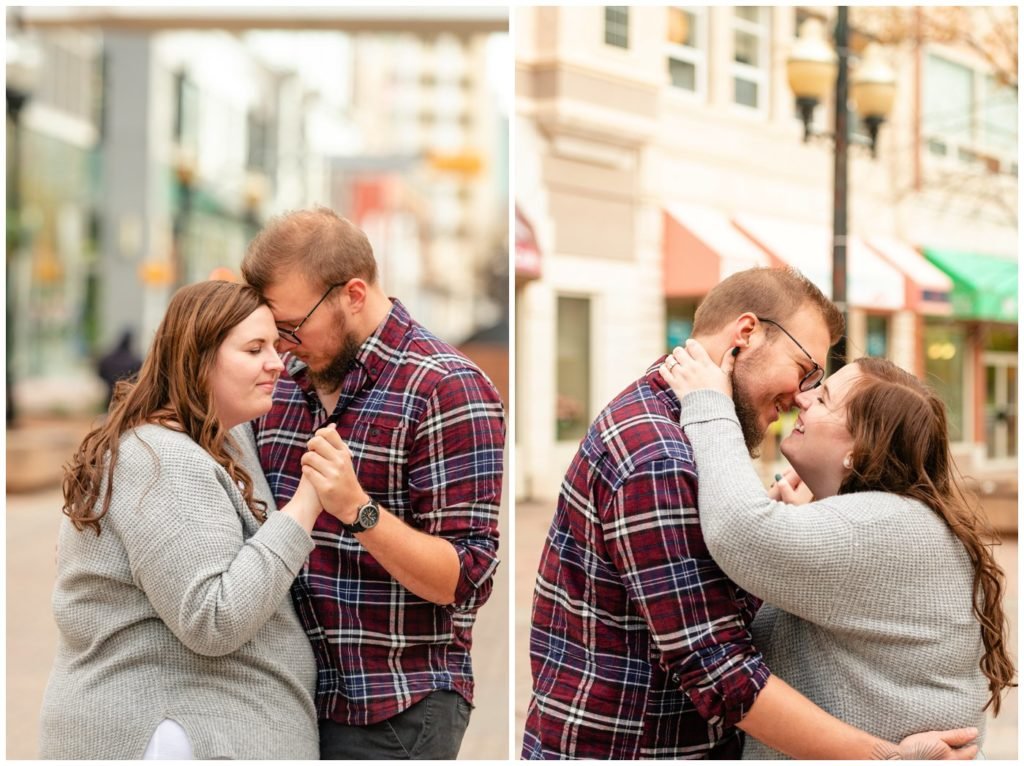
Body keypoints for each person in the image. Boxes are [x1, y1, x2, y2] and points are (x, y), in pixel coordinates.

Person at [522, 267, 979, 760]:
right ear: (745, 335)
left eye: (818, 387)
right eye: (804, 369)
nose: (801, 396)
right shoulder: (660, 455)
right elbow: (721, 670)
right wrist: (885, 758)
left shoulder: (686, 433)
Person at [38, 281, 353, 759]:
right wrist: (309, 501)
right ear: (198, 357)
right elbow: (213, 618)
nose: (276, 362)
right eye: (254, 349)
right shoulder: (162, 457)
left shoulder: (216, 439)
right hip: (174, 736)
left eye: (275, 345)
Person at [661, 344, 1015, 759]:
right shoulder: (896, 522)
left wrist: (709, 402)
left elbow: (739, 531)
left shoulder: (880, 528)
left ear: (858, 451)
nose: (801, 398)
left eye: (824, 397)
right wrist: (800, 524)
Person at [241, 207, 505, 760]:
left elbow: (466, 580)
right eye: (272, 330)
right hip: (286, 702)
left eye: (292, 327)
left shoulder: (447, 389)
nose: (283, 345)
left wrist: (358, 509)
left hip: (395, 710)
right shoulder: (282, 387)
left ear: (353, 294)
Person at [97, 328, 143, 408]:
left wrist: (110, 382)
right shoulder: (135, 360)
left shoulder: (108, 358)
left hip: (110, 395)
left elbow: (101, 372)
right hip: (127, 399)